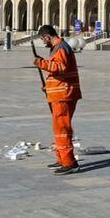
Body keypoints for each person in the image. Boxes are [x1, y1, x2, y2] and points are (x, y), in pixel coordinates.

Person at [33, 24, 82, 174]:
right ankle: (61, 159)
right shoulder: (58, 48)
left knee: (63, 130)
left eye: (43, 39)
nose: (43, 42)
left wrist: (41, 63)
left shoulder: (61, 47)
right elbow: (57, 73)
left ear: (48, 36)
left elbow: (59, 67)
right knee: (59, 129)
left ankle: (69, 163)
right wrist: (48, 86)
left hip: (64, 96)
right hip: (59, 94)